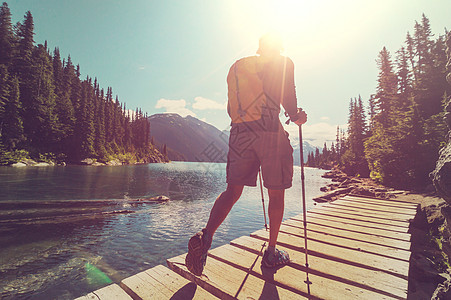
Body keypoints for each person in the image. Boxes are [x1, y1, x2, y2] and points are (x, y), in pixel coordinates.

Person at [185, 33, 307, 276]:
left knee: (233, 191)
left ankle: (205, 235)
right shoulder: (284, 63)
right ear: (280, 47)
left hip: (240, 132)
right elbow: (289, 100)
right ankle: (271, 253)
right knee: (276, 193)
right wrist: (296, 116)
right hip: (269, 130)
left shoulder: (239, 67)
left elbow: (231, 108)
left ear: (260, 48)